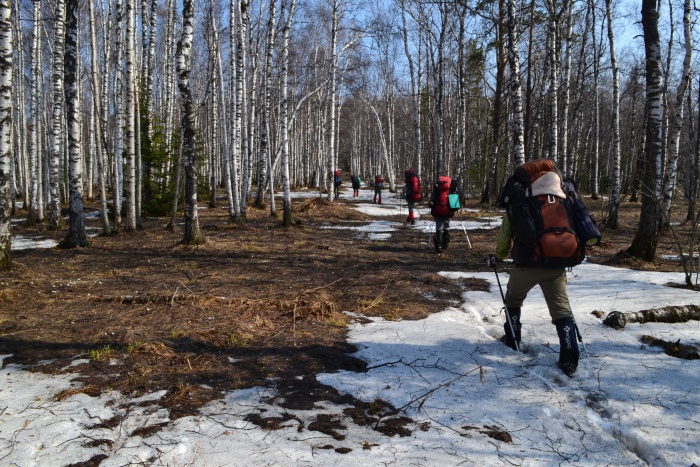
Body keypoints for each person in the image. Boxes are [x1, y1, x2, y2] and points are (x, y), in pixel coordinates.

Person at [490, 159, 580, 378]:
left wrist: (498, 256)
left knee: (513, 300)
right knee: (561, 312)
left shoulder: (521, 199)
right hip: (556, 266)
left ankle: (513, 338)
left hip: (527, 264)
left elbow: (505, 236)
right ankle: (569, 358)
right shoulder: (561, 197)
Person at [429, 175, 457, 252]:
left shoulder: (438, 188)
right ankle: (446, 243)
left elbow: (433, 198)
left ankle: (438, 245)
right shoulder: (451, 188)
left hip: (438, 211)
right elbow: (455, 201)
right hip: (448, 211)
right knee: (446, 226)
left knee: (439, 228)